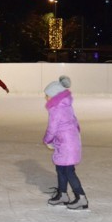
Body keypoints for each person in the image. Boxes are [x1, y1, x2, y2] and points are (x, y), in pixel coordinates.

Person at [43, 75, 88, 210]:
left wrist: (47, 139)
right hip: (68, 141)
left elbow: (52, 128)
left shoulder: (56, 109)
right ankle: (62, 194)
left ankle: (81, 197)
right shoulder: (66, 105)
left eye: (47, 95)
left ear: (55, 96)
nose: (45, 98)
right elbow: (75, 121)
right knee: (61, 168)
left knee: (68, 171)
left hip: (66, 144)